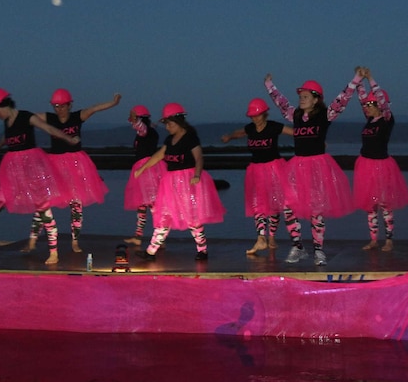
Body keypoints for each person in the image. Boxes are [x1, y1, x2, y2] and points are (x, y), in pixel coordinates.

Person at [0, 88, 80, 266]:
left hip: (32, 168)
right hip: (12, 171)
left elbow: (49, 128)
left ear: (1, 106)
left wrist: (69, 139)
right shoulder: (7, 122)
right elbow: (7, 137)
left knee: (43, 210)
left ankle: (54, 252)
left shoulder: (26, 116)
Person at [264, 70, 362, 265]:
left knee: (316, 211)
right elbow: (281, 103)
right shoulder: (296, 115)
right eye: (300, 96)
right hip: (297, 167)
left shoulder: (325, 115)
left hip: (317, 167)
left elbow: (341, 100)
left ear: (316, 99)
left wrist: (356, 80)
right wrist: (270, 86)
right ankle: (298, 247)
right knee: (288, 207)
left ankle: (318, 250)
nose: (301, 99)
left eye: (306, 97)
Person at [22, 88, 121, 254]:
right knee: (43, 201)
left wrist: (113, 102)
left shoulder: (77, 117)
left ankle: (75, 241)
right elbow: (27, 117)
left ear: (69, 105)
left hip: (76, 164)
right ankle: (32, 240)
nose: (59, 109)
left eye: (62, 105)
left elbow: (95, 108)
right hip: (54, 164)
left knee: (76, 204)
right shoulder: (50, 118)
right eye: (56, 106)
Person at [133, 103, 226, 261]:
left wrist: (197, 174)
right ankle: (150, 252)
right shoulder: (169, 140)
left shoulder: (190, 138)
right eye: (166, 124)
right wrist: (142, 169)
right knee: (164, 216)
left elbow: (198, 157)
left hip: (187, 183)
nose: (167, 127)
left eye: (170, 123)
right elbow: (159, 155)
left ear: (179, 122)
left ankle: (202, 250)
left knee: (192, 218)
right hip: (170, 183)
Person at [221, 98, 294, 255]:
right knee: (258, 205)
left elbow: (294, 133)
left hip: (275, 169)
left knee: (274, 206)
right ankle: (261, 238)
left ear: (265, 114)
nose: (255, 118)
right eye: (252, 116)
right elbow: (239, 133)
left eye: (258, 115)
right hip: (256, 171)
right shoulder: (250, 128)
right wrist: (229, 137)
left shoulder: (274, 126)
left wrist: (314, 141)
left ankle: (272, 236)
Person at [353, 68, 408, 252]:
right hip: (366, 165)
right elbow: (362, 97)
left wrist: (370, 78)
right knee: (370, 206)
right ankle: (373, 240)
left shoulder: (386, 119)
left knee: (385, 204)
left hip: (382, 165)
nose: (367, 106)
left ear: (379, 104)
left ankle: (389, 240)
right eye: (367, 105)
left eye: (372, 104)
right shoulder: (369, 120)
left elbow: (383, 101)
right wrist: (359, 80)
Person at [123, 105, 165, 245]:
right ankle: (139, 236)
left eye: (133, 121)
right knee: (142, 204)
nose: (131, 124)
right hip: (144, 170)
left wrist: (135, 121)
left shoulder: (145, 132)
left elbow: (141, 128)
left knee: (153, 205)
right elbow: (143, 128)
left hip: (148, 171)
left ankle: (159, 238)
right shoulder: (150, 132)